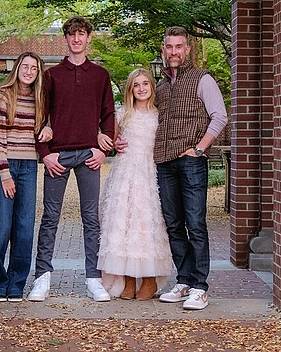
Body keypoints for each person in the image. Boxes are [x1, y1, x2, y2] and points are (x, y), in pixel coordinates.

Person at [28, 16, 116, 302]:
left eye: (82, 34)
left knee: (91, 218)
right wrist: (45, 155)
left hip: (89, 155)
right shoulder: (52, 75)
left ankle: (94, 278)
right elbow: (40, 116)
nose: (77, 39)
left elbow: (108, 113)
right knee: (50, 218)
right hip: (58, 156)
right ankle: (42, 279)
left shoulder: (100, 75)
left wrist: (104, 149)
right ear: (65, 38)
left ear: (89, 38)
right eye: (71, 34)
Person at [151, 26, 226, 310]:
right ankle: (183, 280)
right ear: (164, 50)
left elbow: (219, 116)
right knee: (173, 225)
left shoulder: (202, 79)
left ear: (187, 49)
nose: (174, 52)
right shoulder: (159, 88)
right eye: (169, 47)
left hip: (191, 162)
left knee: (195, 224)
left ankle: (199, 286)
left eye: (179, 47)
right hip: (165, 163)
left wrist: (199, 148)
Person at [96, 68, 173, 300]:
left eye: (145, 84)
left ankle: (149, 280)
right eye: (136, 85)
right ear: (130, 89)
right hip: (125, 175)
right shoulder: (123, 114)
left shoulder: (159, 115)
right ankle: (127, 280)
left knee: (147, 225)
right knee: (124, 224)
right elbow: (110, 139)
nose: (141, 89)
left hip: (149, 175)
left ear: (152, 87)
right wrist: (104, 138)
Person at [0, 52, 50, 302]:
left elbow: (47, 122)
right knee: (1, 227)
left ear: (38, 73)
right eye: (25, 66)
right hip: (5, 165)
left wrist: (49, 126)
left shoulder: (39, 98)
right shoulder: (3, 95)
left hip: (29, 166)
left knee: (24, 228)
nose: (29, 71)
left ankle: (16, 284)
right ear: (17, 68)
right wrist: (4, 173)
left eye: (34, 68)